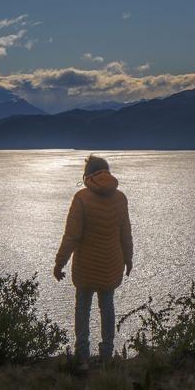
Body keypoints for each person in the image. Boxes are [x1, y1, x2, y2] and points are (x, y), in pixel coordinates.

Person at [53, 154, 133, 367]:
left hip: (85, 268)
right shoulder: (120, 198)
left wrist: (59, 263)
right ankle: (107, 356)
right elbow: (125, 234)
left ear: (88, 174)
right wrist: (129, 259)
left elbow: (71, 236)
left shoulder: (81, 198)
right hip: (111, 266)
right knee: (107, 307)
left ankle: (82, 358)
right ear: (107, 171)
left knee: (82, 309)